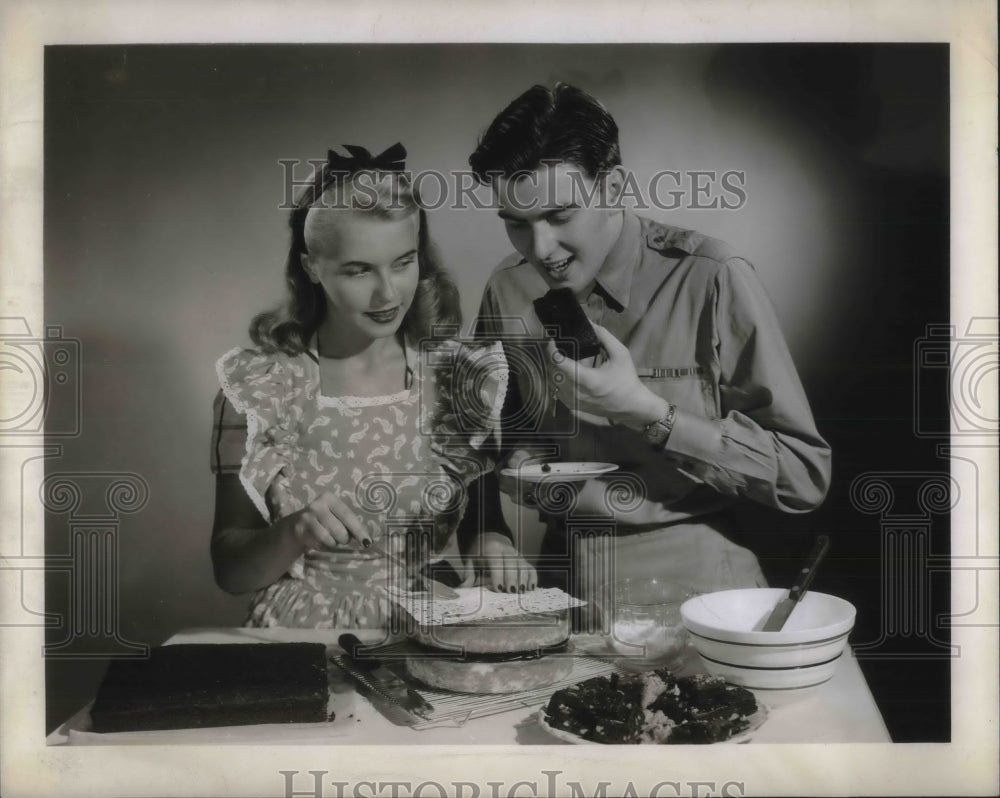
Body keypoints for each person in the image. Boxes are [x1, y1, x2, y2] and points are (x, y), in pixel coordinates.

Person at [464, 84, 831, 614]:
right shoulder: (508, 287)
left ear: (612, 187)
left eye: (560, 216)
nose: (541, 250)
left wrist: (649, 414)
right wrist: (486, 530)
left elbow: (804, 477)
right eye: (516, 224)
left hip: (697, 590)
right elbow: (478, 434)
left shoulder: (711, 278)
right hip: (557, 586)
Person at [210, 144, 535, 630]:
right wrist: (293, 532)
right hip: (303, 639)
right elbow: (231, 571)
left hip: (426, 628)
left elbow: (480, 523)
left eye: (403, 263)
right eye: (358, 270)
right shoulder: (262, 388)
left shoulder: (459, 380)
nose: (388, 294)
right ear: (312, 267)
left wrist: (493, 543)